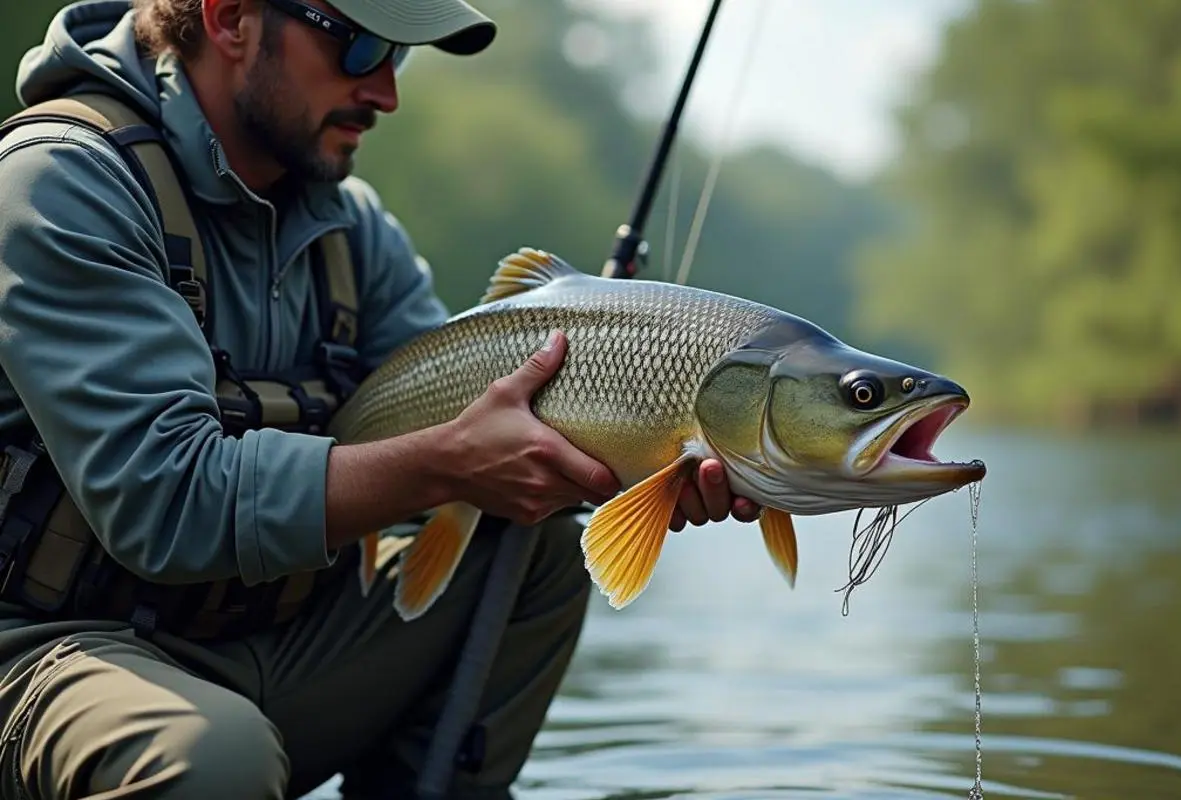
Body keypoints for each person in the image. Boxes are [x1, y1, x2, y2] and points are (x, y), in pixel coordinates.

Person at [0, 0, 762, 797]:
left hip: (264, 640)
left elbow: (488, 434)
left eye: (401, 56)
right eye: (361, 48)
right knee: (213, 758)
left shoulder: (353, 228)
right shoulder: (61, 180)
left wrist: (645, 465)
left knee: (531, 552)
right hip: (48, 646)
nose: (387, 92)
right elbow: (165, 502)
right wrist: (444, 466)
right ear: (229, 20)